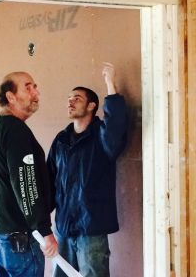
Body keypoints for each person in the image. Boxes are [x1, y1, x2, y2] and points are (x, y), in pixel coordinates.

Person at [47, 63, 127, 277]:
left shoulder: (101, 137)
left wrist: (110, 84)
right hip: (63, 227)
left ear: (92, 106)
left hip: (91, 229)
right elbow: (49, 182)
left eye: (77, 98)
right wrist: (44, 228)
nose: (70, 102)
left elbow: (117, 127)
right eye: (69, 98)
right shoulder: (61, 140)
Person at [0, 71, 58, 277]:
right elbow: (26, 184)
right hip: (21, 238)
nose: (36, 92)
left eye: (35, 86)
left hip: (0, 235)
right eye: (28, 87)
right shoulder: (15, 130)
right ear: (11, 97)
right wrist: (44, 231)